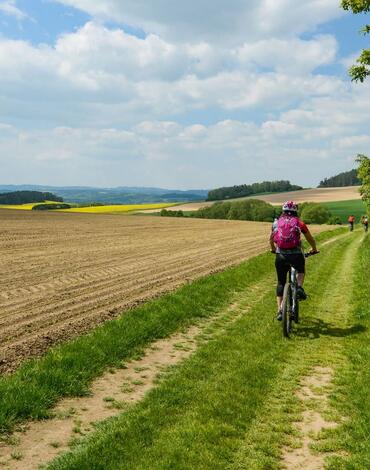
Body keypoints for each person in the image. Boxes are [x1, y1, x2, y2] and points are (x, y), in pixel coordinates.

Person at [270, 201, 318, 321]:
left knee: (281, 283)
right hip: (296, 255)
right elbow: (310, 239)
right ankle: (299, 288)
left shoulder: (276, 223)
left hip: (280, 256)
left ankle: (280, 311)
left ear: (283, 211)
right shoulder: (300, 223)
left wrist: (273, 250)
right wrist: (314, 249)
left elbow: (271, 240)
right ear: (296, 211)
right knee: (301, 270)